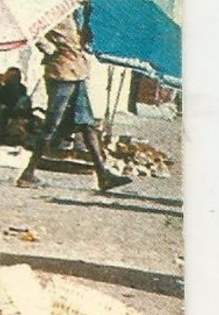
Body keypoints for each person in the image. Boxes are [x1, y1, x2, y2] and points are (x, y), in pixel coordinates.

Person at [16, 15, 132, 192]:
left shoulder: (74, 10)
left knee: (87, 124)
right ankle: (28, 173)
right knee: (51, 124)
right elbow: (31, 28)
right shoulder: (53, 6)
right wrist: (49, 49)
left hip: (77, 71)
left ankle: (103, 175)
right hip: (61, 71)